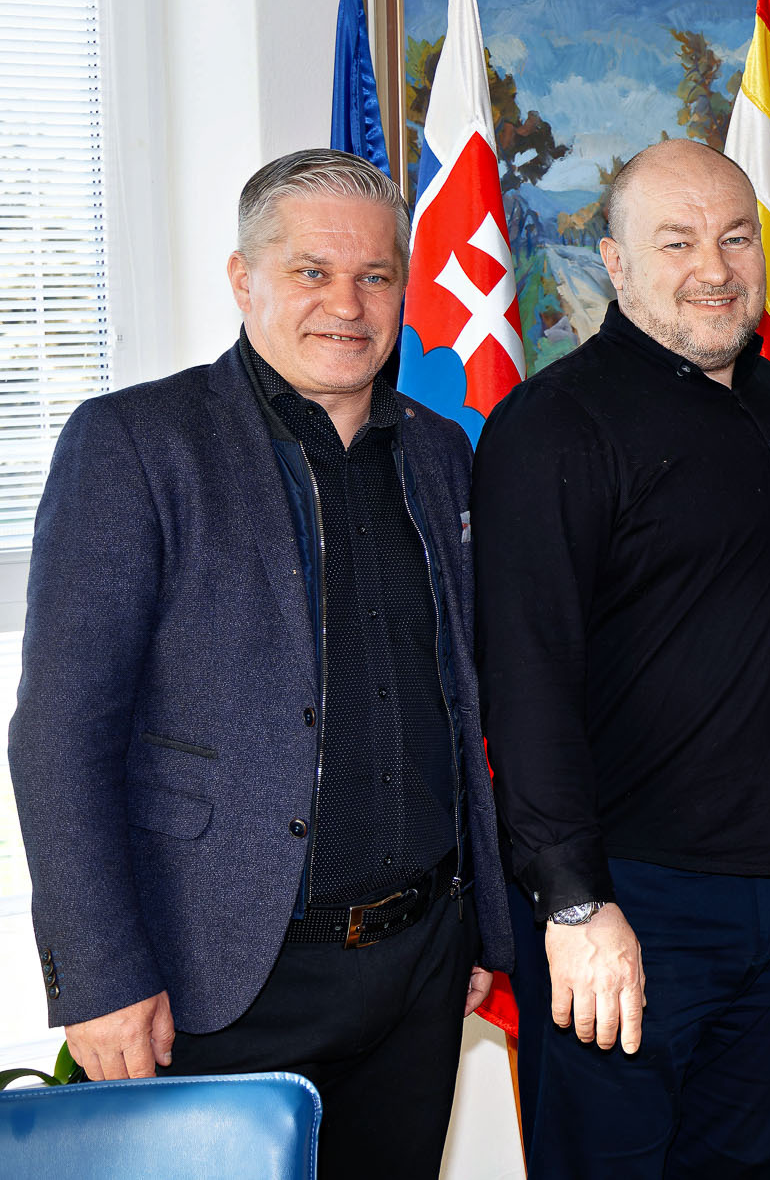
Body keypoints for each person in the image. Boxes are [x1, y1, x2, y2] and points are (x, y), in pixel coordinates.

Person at [7, 149, 513, 1177]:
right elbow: (60, 732)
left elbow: (461, 703)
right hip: (219, 976)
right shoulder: (137, 442)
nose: (347, 304)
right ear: (244, 280)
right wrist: (102, 976)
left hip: (420, 962)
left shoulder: (439, 453)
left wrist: (477, 926)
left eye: (375, 276)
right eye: (311, 271)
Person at [473, 138, 770, 1179]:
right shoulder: (551, 427)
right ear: (614, 263)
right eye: (677, 242)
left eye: (736, 238)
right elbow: (525, 684)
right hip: (632, 896)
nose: (714, 266)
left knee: (735, 1164)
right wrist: (574, 903)